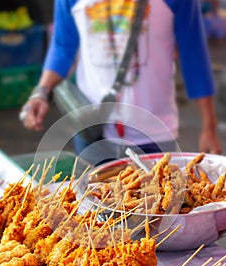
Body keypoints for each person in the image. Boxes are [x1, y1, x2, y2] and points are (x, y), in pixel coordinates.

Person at [20, 0, 222, 164]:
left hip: (154, 133)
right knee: (95, 207)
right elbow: (63, 46)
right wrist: (41, 92)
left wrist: (209, 127)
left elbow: (193, 54)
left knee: (158, 208)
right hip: (93, 130)